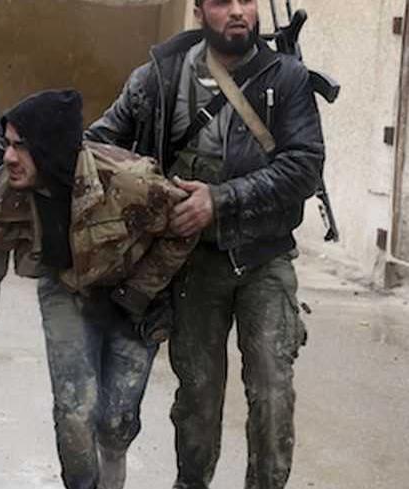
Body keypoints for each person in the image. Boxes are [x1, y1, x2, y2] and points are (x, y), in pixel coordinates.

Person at [85, 0, 325, 487]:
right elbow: (100, 144)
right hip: (192, 264)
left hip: (264, 258)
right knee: (196, 400)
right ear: (198, 11)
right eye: (221, 2)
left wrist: (220, 199)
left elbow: (305, 166)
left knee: (273, 397)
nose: (238, 11)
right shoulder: (160, 76)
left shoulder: (288, 78)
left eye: (247, 0)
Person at [0, 89, 196, 489]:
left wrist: (141, 290)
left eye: (21, 147)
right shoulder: (2, 193)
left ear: (51, 149)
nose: (9, 158)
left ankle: (113, 464)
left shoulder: (129, 180)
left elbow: (183, 228)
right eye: (6, 145)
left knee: (117, 419)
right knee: (74, 407)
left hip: (132, 296)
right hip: (64, 289)